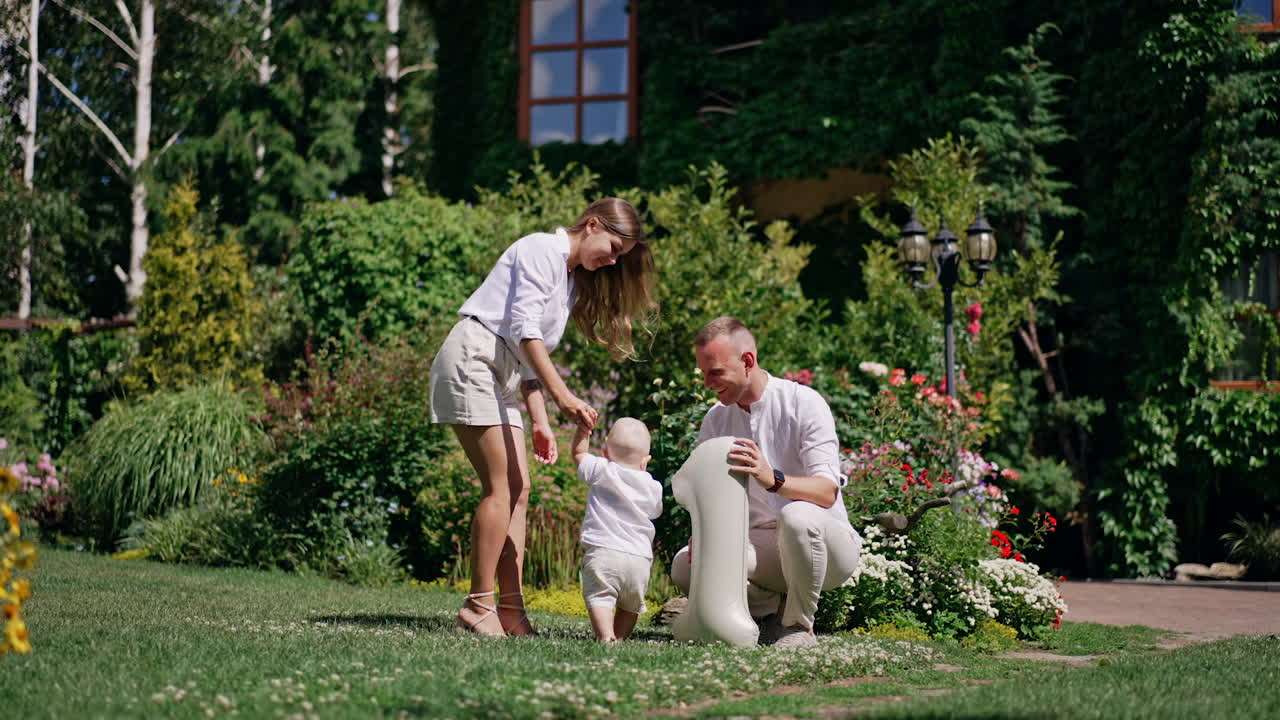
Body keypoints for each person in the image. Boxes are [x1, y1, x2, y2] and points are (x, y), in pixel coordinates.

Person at [430, 198, 656, 637]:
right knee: (501, 485)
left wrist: (540, 420)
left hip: (504, 374)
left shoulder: (568, 280)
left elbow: (529, 360)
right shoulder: (540, 250)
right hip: (473, 358)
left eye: (619, 256)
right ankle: (478, 605)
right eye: (612, 247)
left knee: (521, 487)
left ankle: (511, 610)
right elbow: (524, 330)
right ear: (591, 225)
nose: (612, 260)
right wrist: (563, 396)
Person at [669, 316, 862, 648]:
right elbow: (704, 495)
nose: (706, 383)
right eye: (702, 373)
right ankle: (771, 613)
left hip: (826, 547)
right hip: (763, 548)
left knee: (796, 517)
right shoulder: (715, 419)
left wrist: (772, 479)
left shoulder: (804, 403)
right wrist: (698, 536)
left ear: (747, 362)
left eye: (714, 372)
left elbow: (827, 492)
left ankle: (799, 627)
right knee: (685, 565)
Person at [570, 417, 662, 643]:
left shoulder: (603, 469)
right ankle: (618, 638)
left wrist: (583, 431)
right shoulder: (653, 486)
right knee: (631, 605)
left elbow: (578, 455)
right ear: (645, 461)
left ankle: (605, 635)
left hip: (604, 551)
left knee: (600, 596)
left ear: (605, 452)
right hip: (639, 559)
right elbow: (655, 512)